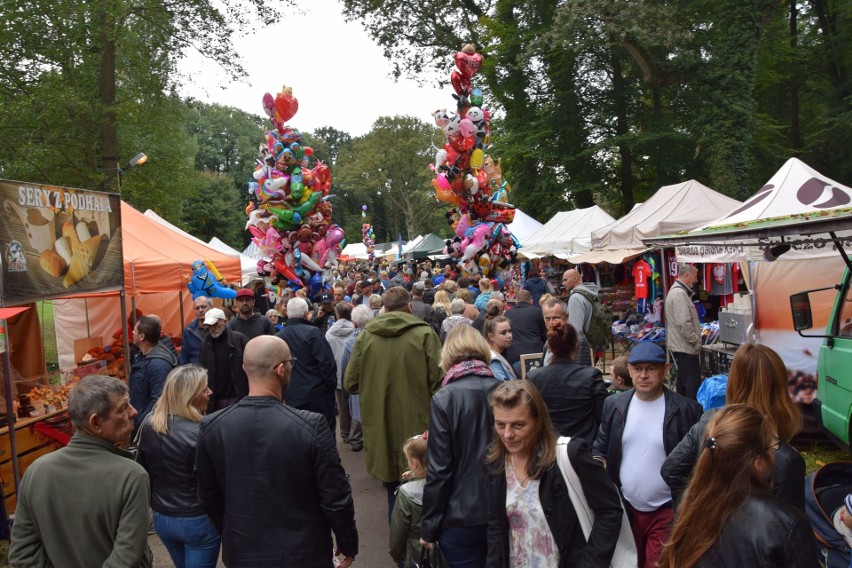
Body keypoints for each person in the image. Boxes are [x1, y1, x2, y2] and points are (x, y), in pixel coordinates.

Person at [195, 335, 358, 567]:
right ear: (281, 369)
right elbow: (335, 495)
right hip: (304, 552)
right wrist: (347, 540)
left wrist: (233, 532)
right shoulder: (311, 425)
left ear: (244, 368)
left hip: (243, 552)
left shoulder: (212, 426)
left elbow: (208, 496)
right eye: (290, 362)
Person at [9, 375, 152, 568]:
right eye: (123, 408)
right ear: (95, 424)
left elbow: (22, 556)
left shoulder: (36, 471)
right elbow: (126, 560)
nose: (133, 412)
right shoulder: (131, 476)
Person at [658, 404, 818, 568]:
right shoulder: (787, 524)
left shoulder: (691, 506)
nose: (776, 452)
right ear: (758, 462)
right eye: (773, 444)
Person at [485, 380, 623, 567]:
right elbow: (496, 529)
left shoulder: (571, 456)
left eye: (518, 425)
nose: (508, 434)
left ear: (538, 422)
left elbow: (610, 510)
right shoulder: (497, 463)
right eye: (500, 424)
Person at [592, 341, 702, 568]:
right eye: (638, 369)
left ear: (664, 369)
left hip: (667, 511)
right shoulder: (614, 405)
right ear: (629, 370)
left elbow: (696, 463)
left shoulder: (687, 410)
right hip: (626, 510)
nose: (643, 375)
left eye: (650, 369)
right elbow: (600, 449)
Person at [662, 343, 805, 511]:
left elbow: (671, 470)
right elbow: (789, 529)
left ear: (734, 380)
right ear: (780, 386)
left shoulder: (711, 421)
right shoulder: (786, 460)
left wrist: (692, 515)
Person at [344, 286, 443, 517]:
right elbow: (440, 382)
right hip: (419, 425)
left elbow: (350, 382)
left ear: (384, 309)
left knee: (393, 491)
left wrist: (374, 385)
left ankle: (399, 543)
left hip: (381, 423)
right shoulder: (425, 334)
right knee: (423, 487)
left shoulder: (366, 336)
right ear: (408, 306)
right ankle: (423, 544)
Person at [421, 325, 501, 568]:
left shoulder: (445, 398)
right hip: (503, 507)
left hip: (460, 516)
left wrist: (429, 526)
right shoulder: (504, 389)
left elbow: (439, 470)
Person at [138, 366, 220, 568]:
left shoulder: (150, 425)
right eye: (204, 389)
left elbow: (143, 470)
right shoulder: (204, 431)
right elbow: (216, 482)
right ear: (190, 396)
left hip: (162, 518)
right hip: (197, 520)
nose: (210, 392)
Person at [528, 321, 607, 444]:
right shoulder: (591, 376)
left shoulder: (533, 377)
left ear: (550, 347)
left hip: (548, 448)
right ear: (576, 346)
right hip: (583, 448)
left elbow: (530, 417)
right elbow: (603, 416)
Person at [275, 297, 338, 434]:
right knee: (323, 435)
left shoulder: (279, 337)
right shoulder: (313, 333)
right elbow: (327, 364)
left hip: (293, 397)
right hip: (318, 396)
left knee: (300, 437)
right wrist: (329, 387)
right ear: (305, 314)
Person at [130, 315, 177, 430]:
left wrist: (140, 424)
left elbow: (157, 401)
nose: (132, 332)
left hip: (148, 429)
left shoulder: (159, 365)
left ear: (141, 336)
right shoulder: (142, 356)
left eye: (135, 330)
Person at [198, 307, 249, 412]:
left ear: (225, 321)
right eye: (209, 326)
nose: (212, 328)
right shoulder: (205, 344)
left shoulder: (239, 340)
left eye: (215, 324)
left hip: (238, 397)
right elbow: (202, 369)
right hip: (215, 400)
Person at [390, 434, 429, 567]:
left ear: (414, 462)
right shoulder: (451, 482)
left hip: (417, 554)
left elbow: (398, 531)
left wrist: (396, 554)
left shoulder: (406, 493)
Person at [339, 304, 374, 452]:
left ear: (354, 323)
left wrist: (346, 390)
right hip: (375, 384)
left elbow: (345, 369)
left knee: (360, 416)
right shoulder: (377, 338)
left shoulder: (350, 343)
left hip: (358, 387)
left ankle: (358, 440)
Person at [665, 263, 702, 399]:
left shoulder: (677, 292)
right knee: (692, 383)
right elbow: (684, 323)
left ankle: (683, 411)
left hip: (682, 345)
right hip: (686, 346)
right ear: (686, 275)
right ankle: (691, 413)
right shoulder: (679, 293)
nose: (696, 280)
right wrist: (695, 341)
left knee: (683, 382)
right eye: (695, 276)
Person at [326, 302, 357, 448]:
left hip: (338, 374)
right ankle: (356, 433)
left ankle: (345, 432)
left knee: (343, 406)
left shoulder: (329, 333)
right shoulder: (355, 331)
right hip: (354, 373)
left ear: (337, 314)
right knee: (356, 403)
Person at [505, 289, 548, 368]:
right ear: (531, 301)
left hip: (515, 356)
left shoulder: (508, 313)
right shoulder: (537, 312)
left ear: (516, 301)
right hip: (535, 355)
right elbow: (544, 335)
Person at [562, 268, 596, 366]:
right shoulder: (590, 293)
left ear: (575, 279)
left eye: (565, 280)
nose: (563, 283)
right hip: (592, 343)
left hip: (582, 348)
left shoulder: (575, 298)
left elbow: (575, 330)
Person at [483, 304, 517, 381]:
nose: (509, 335)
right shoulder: (493, 361)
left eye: (509, 331)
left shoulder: (502, 353)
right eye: (503, 333)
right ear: (491, 336)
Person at [179, 296, 212, 364]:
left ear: (211, 307)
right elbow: (184, 358)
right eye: (197, 308)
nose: (200, 310)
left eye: (203, 307)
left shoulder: (219, 328)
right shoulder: (188, 331)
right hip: (196, 373)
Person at [541, 297, 568, 366]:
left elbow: (581, 373)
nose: (551, 322)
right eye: (547, 318)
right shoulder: (547, 344)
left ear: (566, 318)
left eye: (555, 318)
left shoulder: (578, 342)